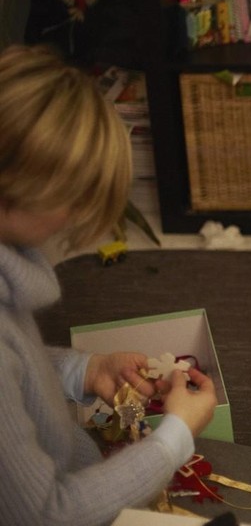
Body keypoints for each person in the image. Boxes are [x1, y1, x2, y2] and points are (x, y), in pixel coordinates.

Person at [0, 44, 218, 526]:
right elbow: (46, 514)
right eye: (75, 198)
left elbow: (16, 372)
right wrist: (175, 437)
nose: (76, 216)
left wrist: (85, 370)